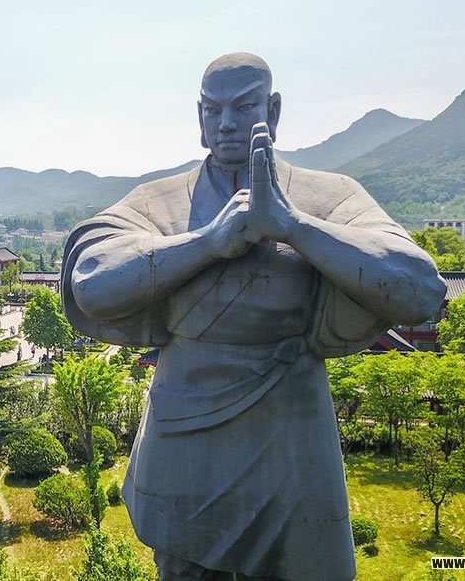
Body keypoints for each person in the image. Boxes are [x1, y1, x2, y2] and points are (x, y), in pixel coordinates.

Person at [62, 53, 445, 581]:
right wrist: (208, 241)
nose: (226, 123)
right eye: (212, 109)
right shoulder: (158, 202)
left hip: (292, 429)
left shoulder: (329, 196)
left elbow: (420, 289)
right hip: (185, 433)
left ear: (274, 110)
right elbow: (92, 281)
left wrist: (295, 226)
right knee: (186, 570)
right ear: (198, 115)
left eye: (244, 107)